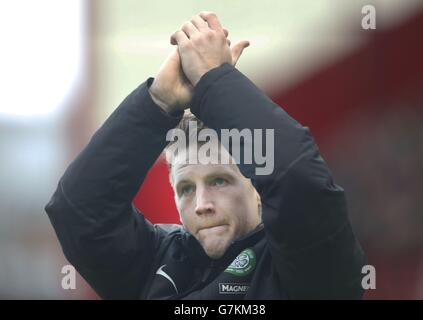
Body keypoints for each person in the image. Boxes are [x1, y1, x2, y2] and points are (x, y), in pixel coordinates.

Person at [45, 12, 366, 299]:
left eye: (219, 180)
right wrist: (157, 102)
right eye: (186, 188)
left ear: (258, 189)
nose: (201, 205)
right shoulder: (153, 263)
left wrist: (216, 80)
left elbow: (301, 183)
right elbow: (79, 211)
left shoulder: (309, 266)